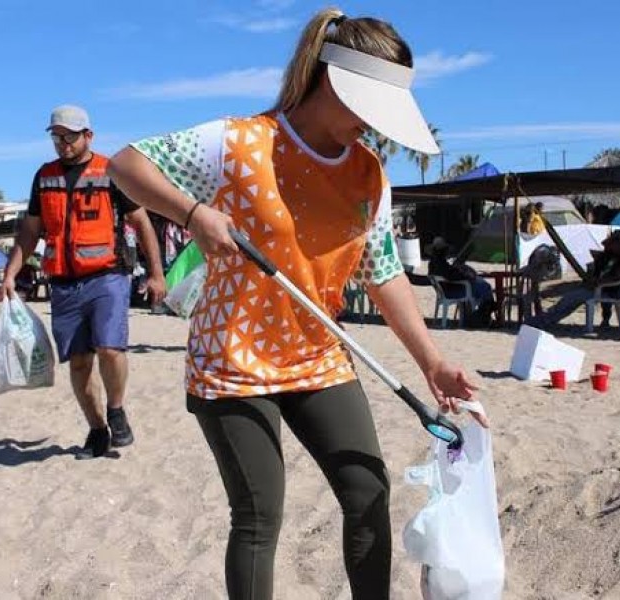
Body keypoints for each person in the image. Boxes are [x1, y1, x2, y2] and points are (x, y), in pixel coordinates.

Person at [107, 9, 486, 599]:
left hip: (316, 357)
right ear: (335, 84)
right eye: (372, 111)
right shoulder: (238, 142)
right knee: (259, 516)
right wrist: (192, 212)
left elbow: (382, 273)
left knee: (368, 492)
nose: (376, 130)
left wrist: (432, 363)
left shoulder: (368, 174)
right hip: (232, 364)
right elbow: (125, 164)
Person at [2, 105, 166, 458]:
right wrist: (11, 271)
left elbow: (142, 223)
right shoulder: (43, 177)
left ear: (88, 135)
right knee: (79, 362)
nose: (62, 144)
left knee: (110, 348)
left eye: (69, 137)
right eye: (56, 137)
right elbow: (30, 231)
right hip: (63, 282)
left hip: (108, 276)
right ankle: (97, 431)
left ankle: (117, 409)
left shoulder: (111, 171)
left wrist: (156, 273)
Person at [426, 236, 495, 327]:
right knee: (485, 287)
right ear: (443, 251)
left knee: (480, 285)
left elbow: (450, 274)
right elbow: (454, 276)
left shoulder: (433, 263)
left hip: (445, 290)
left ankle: (478, 316)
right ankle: (483, 317)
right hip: (452, 291)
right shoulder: (441, 264)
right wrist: (467, 272)